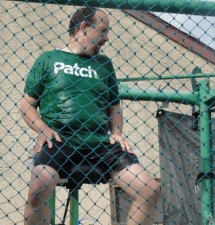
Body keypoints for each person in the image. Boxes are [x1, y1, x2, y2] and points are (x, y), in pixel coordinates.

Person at [20, 7, 160, 225]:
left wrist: (116, 132)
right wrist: (42, 128)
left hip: (100, 144)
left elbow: (114, 107)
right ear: (83, 27)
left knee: (150, 189)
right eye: (103, 31)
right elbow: (27, 105)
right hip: (59, 140)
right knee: (37, 190)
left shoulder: (104, 64)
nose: (107, 38)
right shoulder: (48, 59)